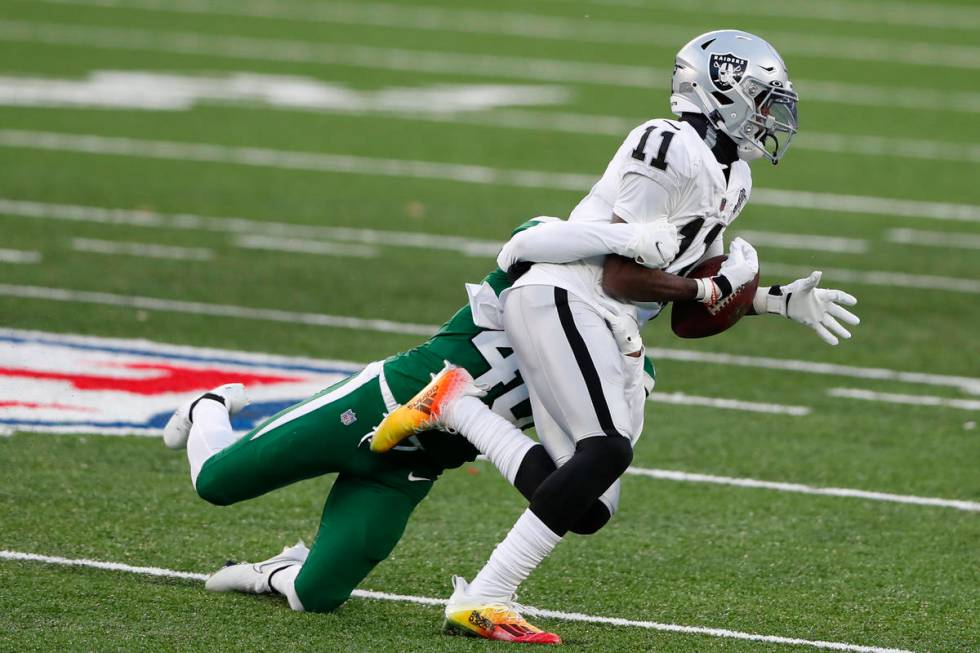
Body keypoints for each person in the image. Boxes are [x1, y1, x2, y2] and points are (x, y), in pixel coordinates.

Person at [372, 29, 860, 645]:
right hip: (562, 293)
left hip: (605, 314)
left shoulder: (735, 177)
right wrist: (713, 290)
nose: (770, 116)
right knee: (603, 451)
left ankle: (454, 405)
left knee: (590, 505)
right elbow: (624, 271)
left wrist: (771, 299)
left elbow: (686, 303)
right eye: (762, 99)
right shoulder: (665, 143)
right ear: (721, 91)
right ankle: (487, 597)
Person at [159, 215, 678, 642]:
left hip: (413, 465)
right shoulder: (549, 268)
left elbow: (588, 469)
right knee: (215, 483)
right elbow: (526, 239)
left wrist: (631, 371)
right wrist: (624, 237)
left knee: (314, 597)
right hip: (373, 406)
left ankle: (273, 571)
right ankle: (209, 405)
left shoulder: (629, 363)